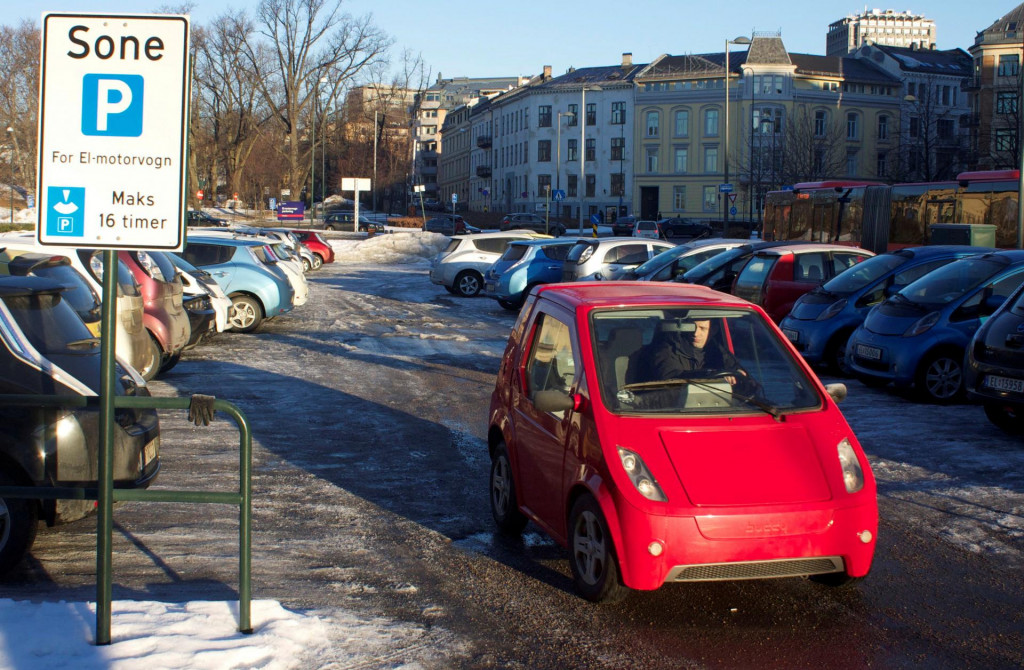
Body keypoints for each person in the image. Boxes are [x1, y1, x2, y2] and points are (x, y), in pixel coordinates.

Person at [633, 318, 750, 389]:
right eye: (692, 327)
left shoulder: (718, 351)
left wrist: (739, 376)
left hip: (713, 412)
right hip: (669, 411)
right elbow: (670, 380)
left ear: (713, 331)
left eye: (702, 328)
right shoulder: (666, 349)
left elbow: (748, 383)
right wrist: (712, 376)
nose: (695, 333)